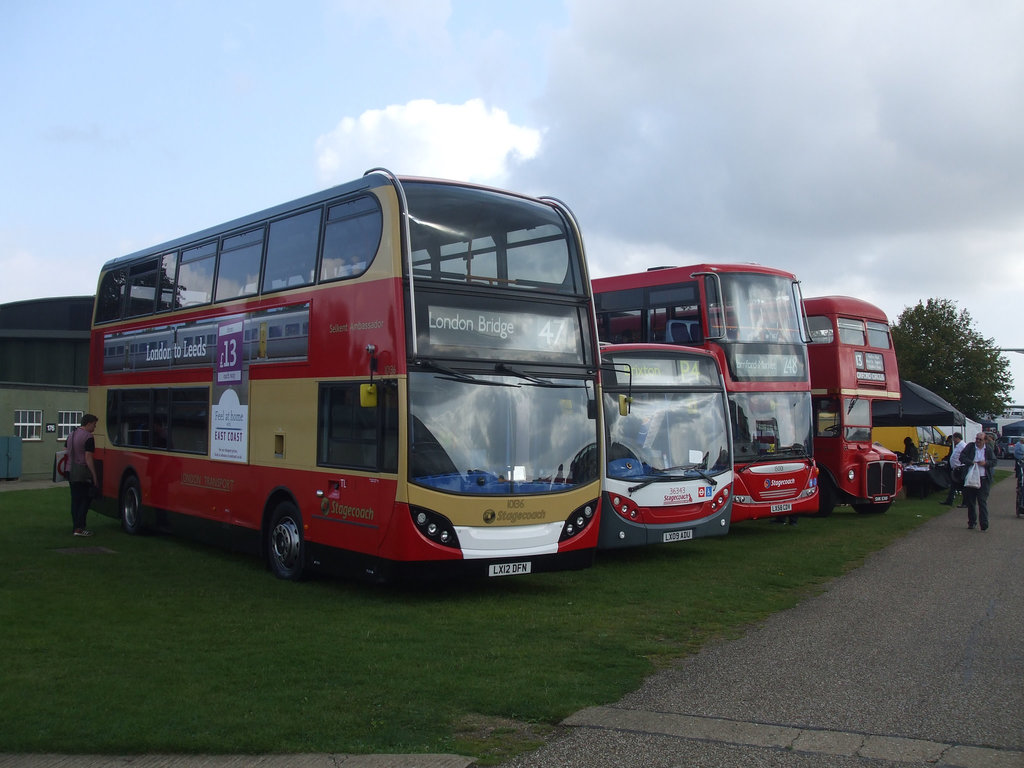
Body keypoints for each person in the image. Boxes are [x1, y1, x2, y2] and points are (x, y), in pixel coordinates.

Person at [66, 413, 99, 537]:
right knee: (85, 500)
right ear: (89, 423)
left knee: (75, 500)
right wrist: (95, 477)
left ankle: (75, 526)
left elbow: (65, 450)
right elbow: (88, 457)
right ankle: (80, 527)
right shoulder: (88, 437)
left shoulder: (71, 434)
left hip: (70, 470)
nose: (94, 428)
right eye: (94, 425)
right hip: (82, 472)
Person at [958, 431, 997, 531]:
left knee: (982, 501)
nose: (978, 441)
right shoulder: (970, 447)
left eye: (980, 439)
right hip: (971, 478)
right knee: (971, 502)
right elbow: (962, 457)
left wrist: (985, 463)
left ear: (985, 440)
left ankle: (984, 524)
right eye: (977, 439)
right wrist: (971, 462)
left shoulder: (988, 449)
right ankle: (972, 522)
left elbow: (994, 461)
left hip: (983, 479)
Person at [940, 432, 965, 506]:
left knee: (962, 486)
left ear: (957, 438)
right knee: (953, 485)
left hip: (960, 468)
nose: (953, 440)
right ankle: (949, 501)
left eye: (953, 438)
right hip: (956, 468)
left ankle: (965, 502)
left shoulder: (962, 446)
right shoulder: (958, 446)